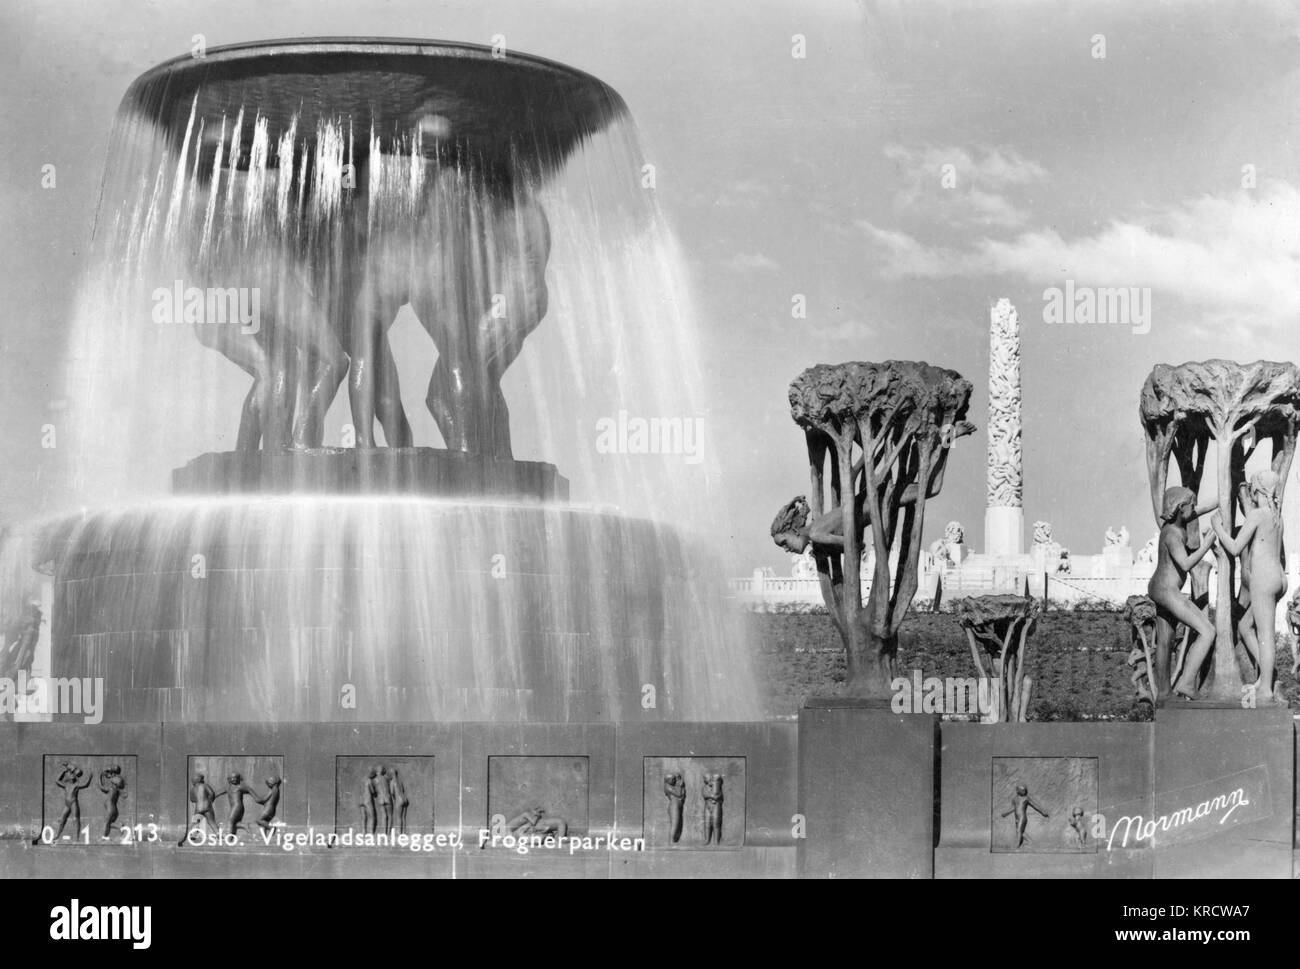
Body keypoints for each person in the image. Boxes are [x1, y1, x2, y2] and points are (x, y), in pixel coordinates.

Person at [1212, 469, 1289, 707]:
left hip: (1264, 579)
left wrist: (1218, 528)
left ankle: (1265, 687)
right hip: (1278, 577)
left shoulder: (1258, 515)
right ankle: (1264, 678)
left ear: (1258, 490)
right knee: (1246, 626)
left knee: (1266, 636)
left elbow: (1235, 548)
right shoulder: (1277, 517)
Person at [1148, 487, 1219, 700]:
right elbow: (1185, 563)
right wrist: (1206, 544)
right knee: (1208, 631)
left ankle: (1163, 693)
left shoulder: (1175, 522)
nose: (1195, 509)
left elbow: (1205, 507)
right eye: (1191, 505)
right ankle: (1187, 683)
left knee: (1165, 640)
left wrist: (1225, 494)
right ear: (1181, 507)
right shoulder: (1172, 533)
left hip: (1159, 588)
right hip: (1167, 590)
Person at [1001, 784, 1049, 849]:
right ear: (1017, 791)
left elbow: (1035, 805)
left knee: (1019, 831)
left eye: (1025, 790)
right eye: (1022, 790)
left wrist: (1043, 812)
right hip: (1017, 818)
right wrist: (1005, 813)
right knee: (1021, 832)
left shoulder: (1026, 798)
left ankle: (1016, 846)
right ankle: (1031, 843)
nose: (1024, 791)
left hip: (1022, 817)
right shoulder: (1015, 799)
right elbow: (1013, 808)